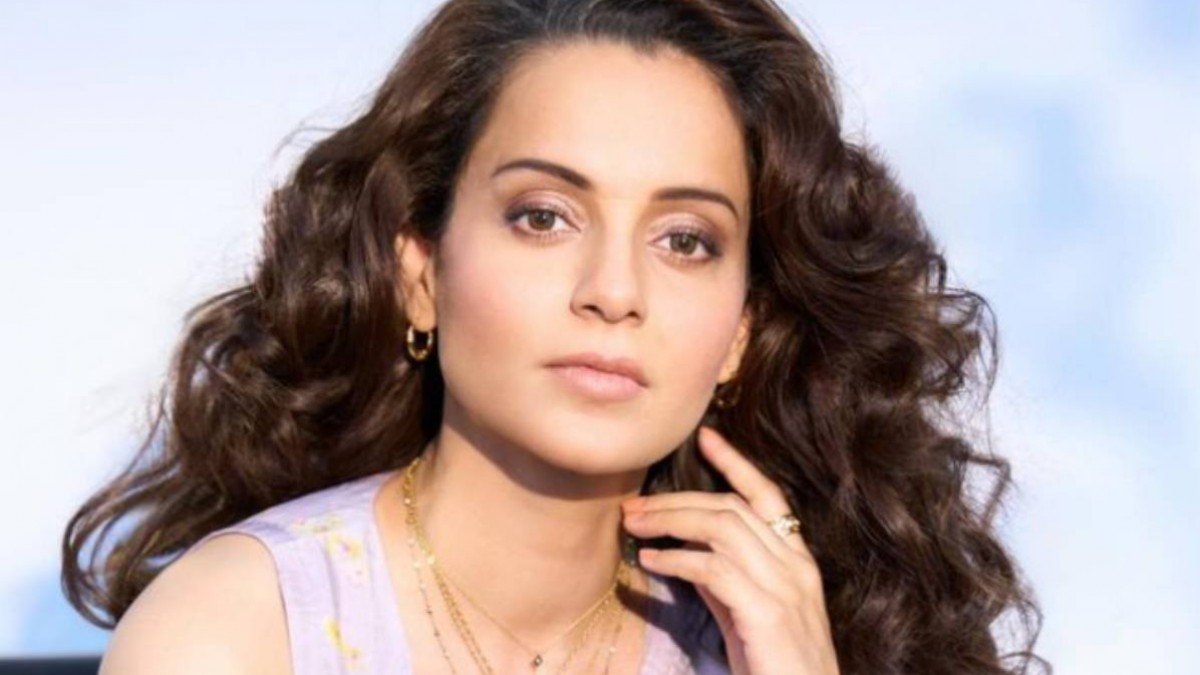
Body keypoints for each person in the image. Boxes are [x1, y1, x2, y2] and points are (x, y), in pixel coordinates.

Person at [62, 1, 1051, 674]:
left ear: (741, 334)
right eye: (544, 216)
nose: (614, 292)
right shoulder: (240, 629)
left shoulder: (767, 643)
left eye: (685, 240)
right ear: (420, 275)